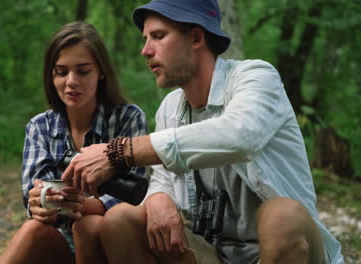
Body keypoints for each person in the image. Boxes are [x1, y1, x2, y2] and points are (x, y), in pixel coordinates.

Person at [61, 0, 344, 263]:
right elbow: (163, 178)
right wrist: (159, 197)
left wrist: (121, 151)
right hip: (213, 254)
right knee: (120, 220)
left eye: (158, 36)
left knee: (282, 215)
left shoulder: (256, 77)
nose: (145, 50)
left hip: (287, 249)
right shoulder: (170, 108)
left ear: (196, 38)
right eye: (145, 39)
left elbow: (238, 136)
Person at [0, 21, 147, 264]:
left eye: (83, 70)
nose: (71, 81)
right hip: (60, 241)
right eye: (61, 71)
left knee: (90, 225)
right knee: (31, 230)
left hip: (115, 242)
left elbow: (134, 195)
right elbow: (33, 197)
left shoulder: (127, 118)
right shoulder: (39, 127)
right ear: (51, 75)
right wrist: (39, 203)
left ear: (101, 72)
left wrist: (78, 205)